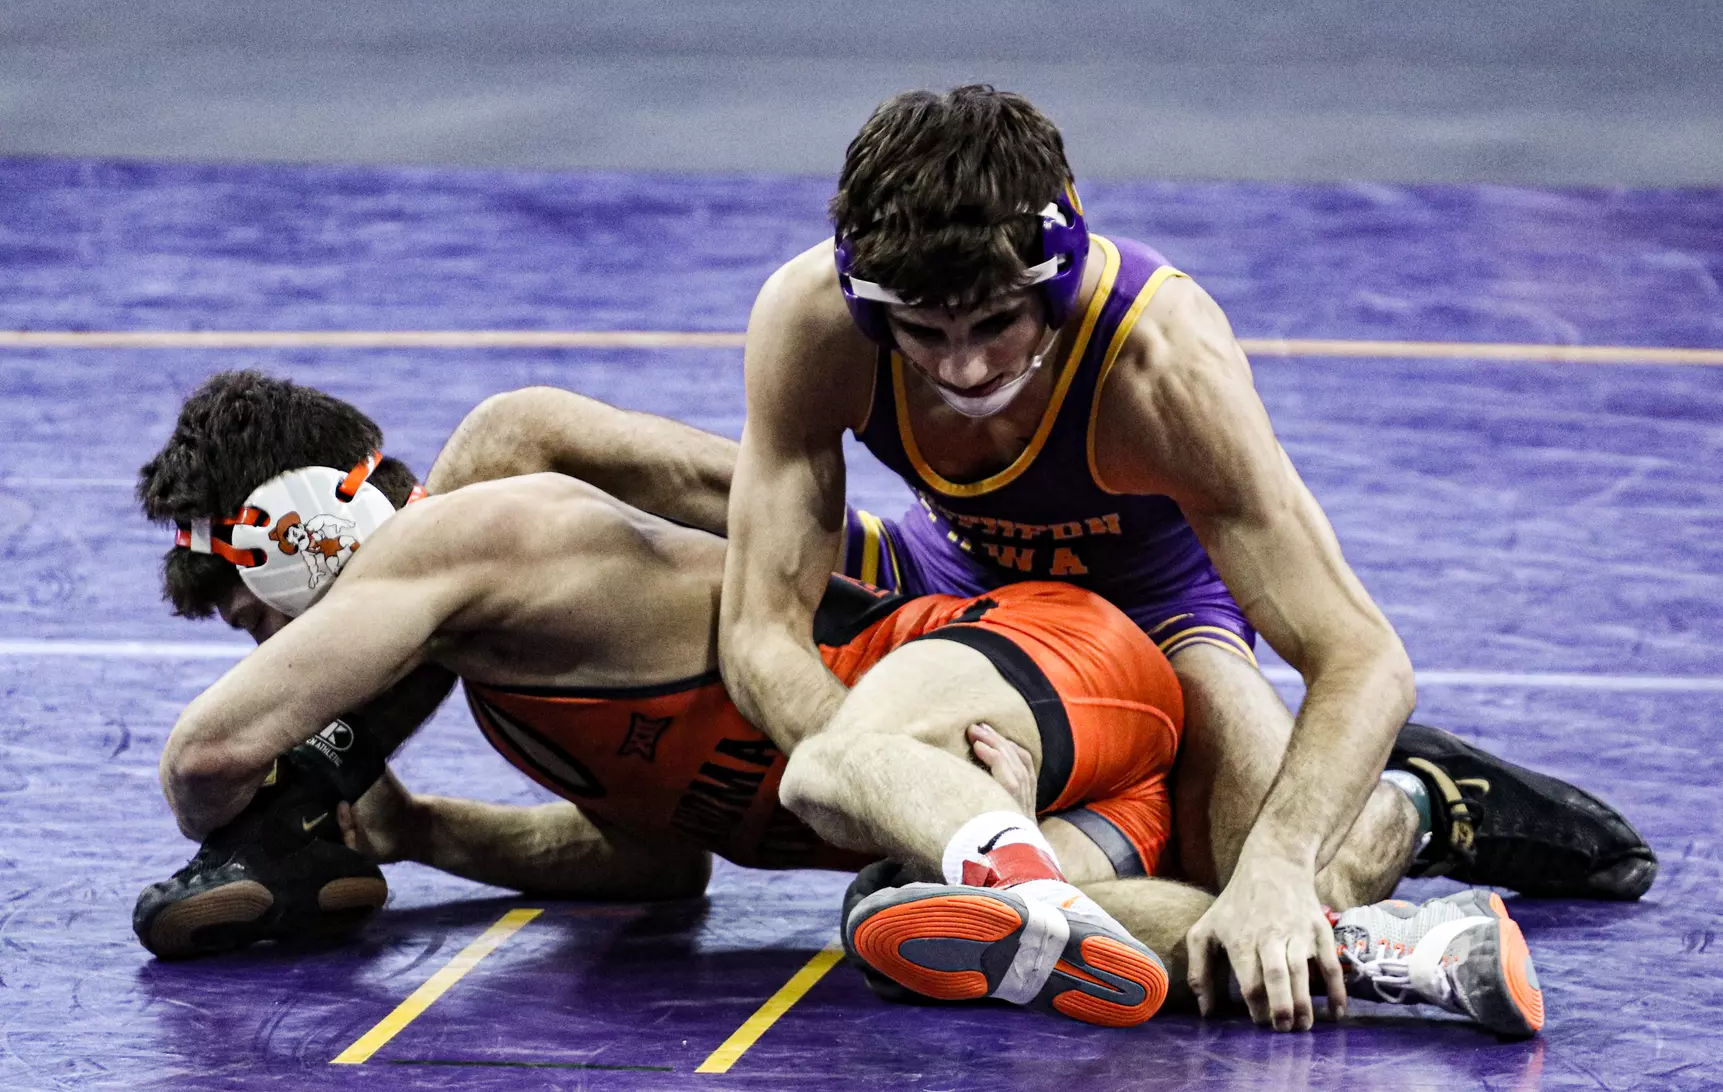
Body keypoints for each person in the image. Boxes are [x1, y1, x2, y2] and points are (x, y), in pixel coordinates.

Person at [134, 372, 1547, 1036]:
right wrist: (423, 828)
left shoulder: (467, 534)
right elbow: (656, 862)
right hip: (1005, 778)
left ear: (314, 536)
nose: (275, 655)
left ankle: (978, 837)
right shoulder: (503, 699)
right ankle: (1402, 911)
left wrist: (280, 797)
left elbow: (212, 753)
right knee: (911, 928)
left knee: (842, 767)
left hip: (1020, 658)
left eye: (262, 621)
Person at [704, 84, 1654, 1032]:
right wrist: (901, 786)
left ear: (1059, 270)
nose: (963, 369)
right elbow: (759, 634)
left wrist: (1276, 869)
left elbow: (1362, 655)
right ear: (873, 307)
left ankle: (1417, 800)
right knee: (903, 842)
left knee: (1275, 890)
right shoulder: (815, 323)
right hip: (956, 584)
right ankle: (1353, 929)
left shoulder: (1162, 363)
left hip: (1162, 617)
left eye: (995, 323)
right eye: (924, 333)